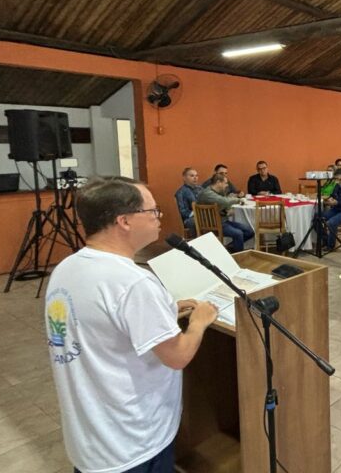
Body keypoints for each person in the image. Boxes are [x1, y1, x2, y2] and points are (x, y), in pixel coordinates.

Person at [46, 177, 218, 473]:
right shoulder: (133, 282)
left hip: (91, 439)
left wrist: (164, 310)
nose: (158, 218)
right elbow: (177, 356)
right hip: (134, 443)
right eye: (152, 211)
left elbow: (102, 323)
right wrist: (199, 322)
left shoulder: (68, 268)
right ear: (124, 221)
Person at [197, 176, 255, 252]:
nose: (227, 185)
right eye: (225, 183)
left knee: (249, 231)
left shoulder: (218, 192)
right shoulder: (207, 193)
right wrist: (239, 199)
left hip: (222, 221)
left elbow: (223, 204)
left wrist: (227, 211)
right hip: (213, 224)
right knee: (238, 233)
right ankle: (239, 258)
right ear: (218, 182)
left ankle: (229, 248)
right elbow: (224, 201)